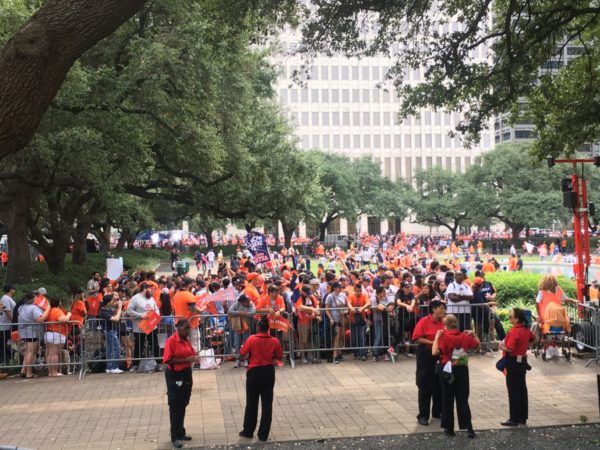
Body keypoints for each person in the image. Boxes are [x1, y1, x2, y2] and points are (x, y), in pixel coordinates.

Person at [432, 314, 479, 438]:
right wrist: (474, 335)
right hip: (462, 369)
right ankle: (468, 427)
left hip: (447, 369)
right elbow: (477, 345)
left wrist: (436, 338)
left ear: (445, 325)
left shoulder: (444, 337)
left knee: (447, 398)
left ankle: (449, 428)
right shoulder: (464, 336)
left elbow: (434, 352)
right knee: (463, 399)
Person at [239, 316, 283, 442]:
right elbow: (279, 355)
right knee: (267, 404)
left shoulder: (251, 339)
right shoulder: (274, 341)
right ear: (268, 328)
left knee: (251, 403)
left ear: (258, 327)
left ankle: (248, 431)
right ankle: (263, 434)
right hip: (268, 372)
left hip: (254, 372)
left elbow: (242, 353)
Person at [163, 319, 198, 449]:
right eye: (186, 328)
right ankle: (175, 436)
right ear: (179, 328)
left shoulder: (186, 340)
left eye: (189, 328)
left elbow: (190, 353)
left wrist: (194, 357)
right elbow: (168, 360)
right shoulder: (171, 341)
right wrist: (186, 359)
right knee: (175, 405)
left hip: (186, 373)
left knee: (183, 402)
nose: (188, 331)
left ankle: (180, 431)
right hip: (175, 375)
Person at [499, 308, 536, 427]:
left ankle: (514, 418)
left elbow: (510, 349)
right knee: (522, 389)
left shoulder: (515, 331)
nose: (509, 318)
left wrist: (501, 347)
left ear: (516, 319)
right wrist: (524, 347)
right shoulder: (525, 329)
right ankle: (522, 417)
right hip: (521, 360)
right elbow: (534, 338)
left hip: (513, 361)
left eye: (510, 317)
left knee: (513, 390)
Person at [412, 300, 445, 426]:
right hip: (426, 353)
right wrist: (433, 342)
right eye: (441, 308)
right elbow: (416, 337)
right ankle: (423, 415)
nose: (443, 311)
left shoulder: (443, 322)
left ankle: (437, 411)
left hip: (440, 354)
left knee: (439, 383)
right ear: (433, 309)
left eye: (443, 308)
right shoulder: (424, 321)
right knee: (425, 385)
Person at [127, 283, 161, 367]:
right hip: (139, 327)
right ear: (144, 289)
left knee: (155, 344)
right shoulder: (135, 298)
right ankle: (136, 364)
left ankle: (159, 362)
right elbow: (129, 310)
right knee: (139, 346)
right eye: (150, 289)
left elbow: (156, 309)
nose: (152, 291)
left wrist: (155, 315)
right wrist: (140, 315)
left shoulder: (151, 298)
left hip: (151, 326)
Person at [18, 292, 50, 378]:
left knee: (28, 352)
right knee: (30, 352)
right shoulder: (34, 308)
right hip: (33, 332)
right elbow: (40, 319)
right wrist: (47, 309)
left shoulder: (21, 307)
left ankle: (24, 370)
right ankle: (29, 373)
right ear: (33, 298)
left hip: (24, 331)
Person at [44, 297, 72, 377]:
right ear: (59, 303)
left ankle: (50, 372)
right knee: (55, 354)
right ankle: (54, 372)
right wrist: (68, 315)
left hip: (48, 332)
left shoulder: (48, 311)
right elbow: (63, 319)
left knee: (50, 353)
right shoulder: (57, 311)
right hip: (57, 333)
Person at [228, 294, 256, 368]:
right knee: (237, 344)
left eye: (248, 300)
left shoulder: (251, 304)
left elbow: (252, 312)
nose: (248, 301)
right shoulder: (237, 304)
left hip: (247, 328)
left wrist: (242, 314)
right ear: (242, 302)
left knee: (247, 344)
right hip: (237, 328)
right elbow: (230, 311)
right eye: (246, 301)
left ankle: (246, 359)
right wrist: (239, 313)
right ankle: (238, 359)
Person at [99, 293, 124, 374]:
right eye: (111, 301)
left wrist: (118, 307)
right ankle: (114, 367)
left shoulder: (107, 309)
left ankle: (109, 367)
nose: (113, 302)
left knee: (109, 349)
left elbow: (115, 314)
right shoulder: (103, 312)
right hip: (110, 331)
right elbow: (116, 318)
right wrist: (120, 308)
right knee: (117, 348)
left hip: (111, 331)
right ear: (108, 302)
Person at [0, 284, 16, 378]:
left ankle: (7, 360)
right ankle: (3, 364)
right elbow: (7, 311)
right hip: (4, 326)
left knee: (5, 345)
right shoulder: (6, 298)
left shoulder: (5, 298)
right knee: (3, 345)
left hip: (6, 326)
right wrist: (14, 322)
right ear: (11, 290)